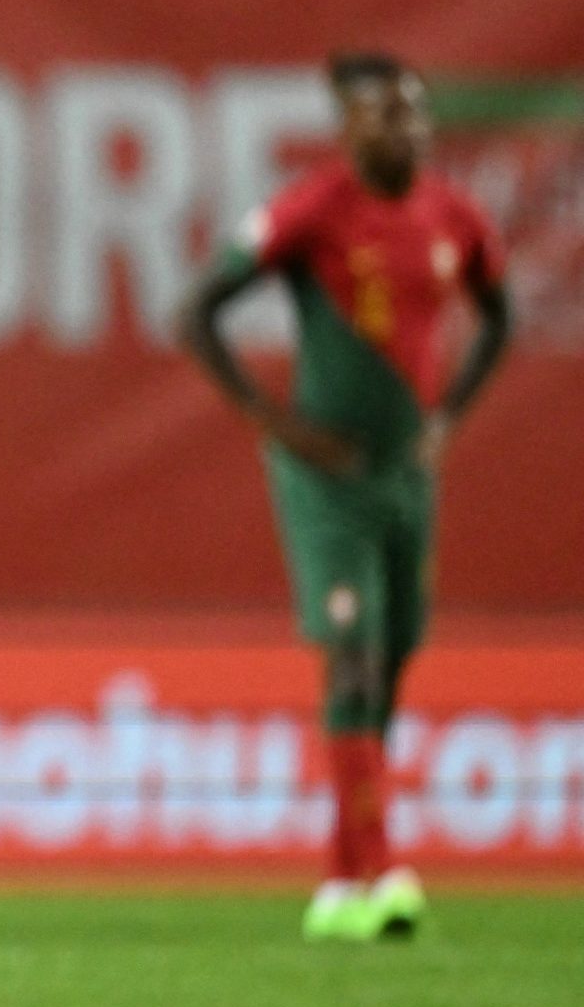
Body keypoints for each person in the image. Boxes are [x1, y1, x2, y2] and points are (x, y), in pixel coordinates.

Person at [179, 50, 509, 944]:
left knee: (392, 660)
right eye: (384, 116)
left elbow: (499, 315)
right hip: (328, 477)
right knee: (354, 658)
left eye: (414, 115)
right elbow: (198, 308)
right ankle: (385, 869)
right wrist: (274, 423)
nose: (404, 130)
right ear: (349, 129)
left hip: (406, 472)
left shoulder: (453, 215)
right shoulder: (311, 211)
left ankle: (339, 877)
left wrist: (448, 420)